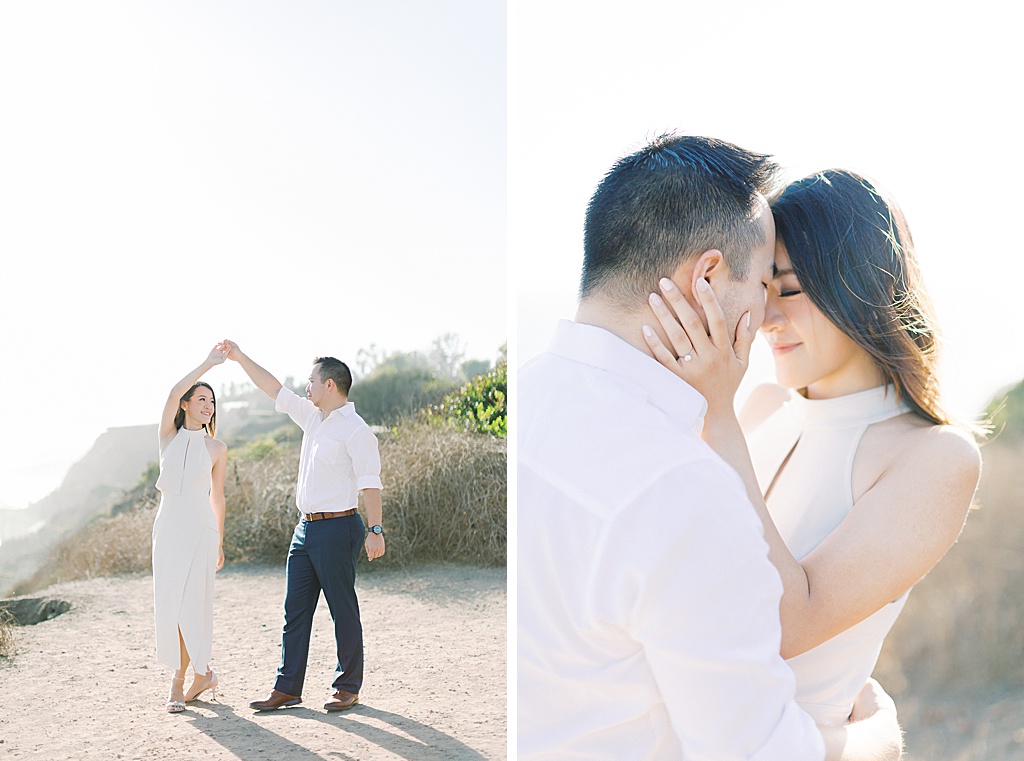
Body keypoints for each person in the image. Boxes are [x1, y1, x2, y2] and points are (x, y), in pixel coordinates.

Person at [519, 135, 905, 760]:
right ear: (706, 278)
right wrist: (879, 740)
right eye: (763, 283)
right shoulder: (678, 482)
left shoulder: (528, 398)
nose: (766, 313)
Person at [643, 168, 981, 727]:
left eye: (792, 289)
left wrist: (718, 417)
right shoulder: (763, 406)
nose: (766, 318)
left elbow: (785, 624)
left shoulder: (936, 457)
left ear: (861, 285)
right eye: (761, 288)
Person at [221, 341, 385, 713]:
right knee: (294, 612)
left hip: (339, 528)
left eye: (312, 380)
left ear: (330, 385)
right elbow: (273, 388)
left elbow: (370, 484)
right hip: (304, 530)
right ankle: (287, 688)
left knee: (342, 610)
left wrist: (375, 531)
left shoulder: (356, 430)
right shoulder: (312, 417)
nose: (306, 386)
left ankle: (347, 687)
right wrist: (240, 357)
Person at [153, 344, 229, 713]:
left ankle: (179, 681)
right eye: (201, 399)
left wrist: (220, 542)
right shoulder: (168, 436)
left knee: (191, 606)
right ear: (185, 404)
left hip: (202, 530)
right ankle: (203, 674)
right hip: (168, 528)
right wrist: (208, 364)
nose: (208, 405)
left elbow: (219, 498)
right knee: (171, 604)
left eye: (211, 401)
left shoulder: (217, 448)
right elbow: (171, 392)